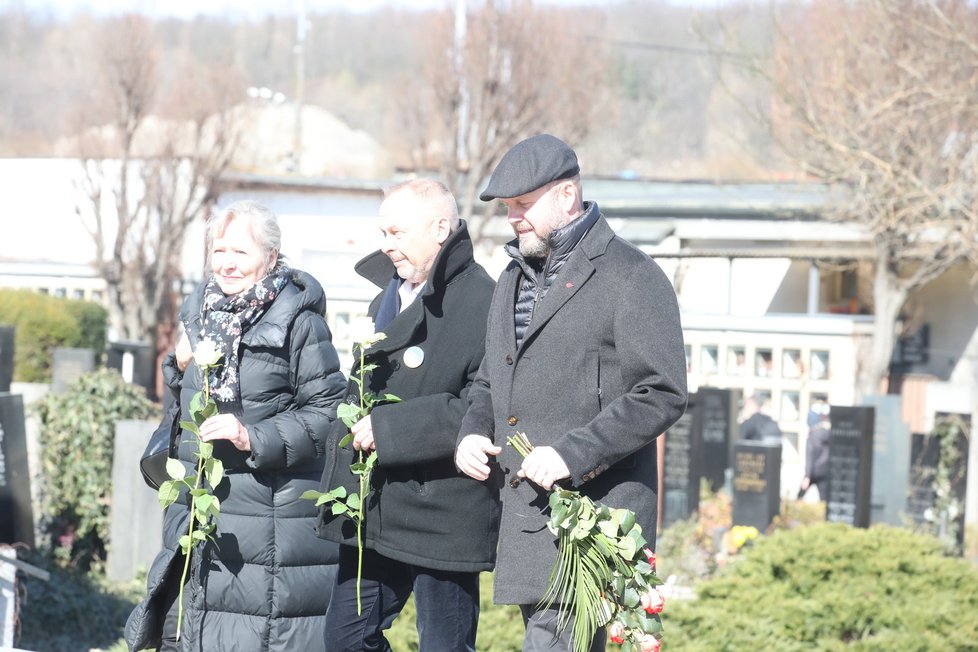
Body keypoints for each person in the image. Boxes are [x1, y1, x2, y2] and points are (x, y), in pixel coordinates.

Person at [454, 134, 688, 652]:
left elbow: (662, 391)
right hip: (526, 520)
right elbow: (491, 378)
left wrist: (570, 454)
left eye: (523, 204)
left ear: (566, 197)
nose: (513, 217)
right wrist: (472, 431)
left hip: (592, 524)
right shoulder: (512, 276)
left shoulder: (632, 276)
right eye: (508, 207)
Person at [126, 200, 346, 652]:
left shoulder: (300, 323)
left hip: (268, 530)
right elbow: (190, 403)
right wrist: (177, 367)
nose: (226, 263)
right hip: (201, 518)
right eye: (219, 250)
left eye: (240, 253)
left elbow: (329, 415)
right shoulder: (200, 314)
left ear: (270, 257)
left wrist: (252, 436)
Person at [316, 179, 498, 652]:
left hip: (444, 509)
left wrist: (389, 429)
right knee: (345, 639)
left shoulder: (485, 301)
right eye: (383, 232)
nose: (386, 245)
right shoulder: (386, 300)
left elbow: (485, 401)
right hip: (378, 505)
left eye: (396, 232)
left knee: (444, 646)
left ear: (441, 228)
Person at [800, 402, 830, 501]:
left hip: (813, 473)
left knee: (799, 497)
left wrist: (807, 476)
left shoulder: (813, 436)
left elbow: (810, 457)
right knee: (824, 501)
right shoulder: (829, 434)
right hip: (825, 472)